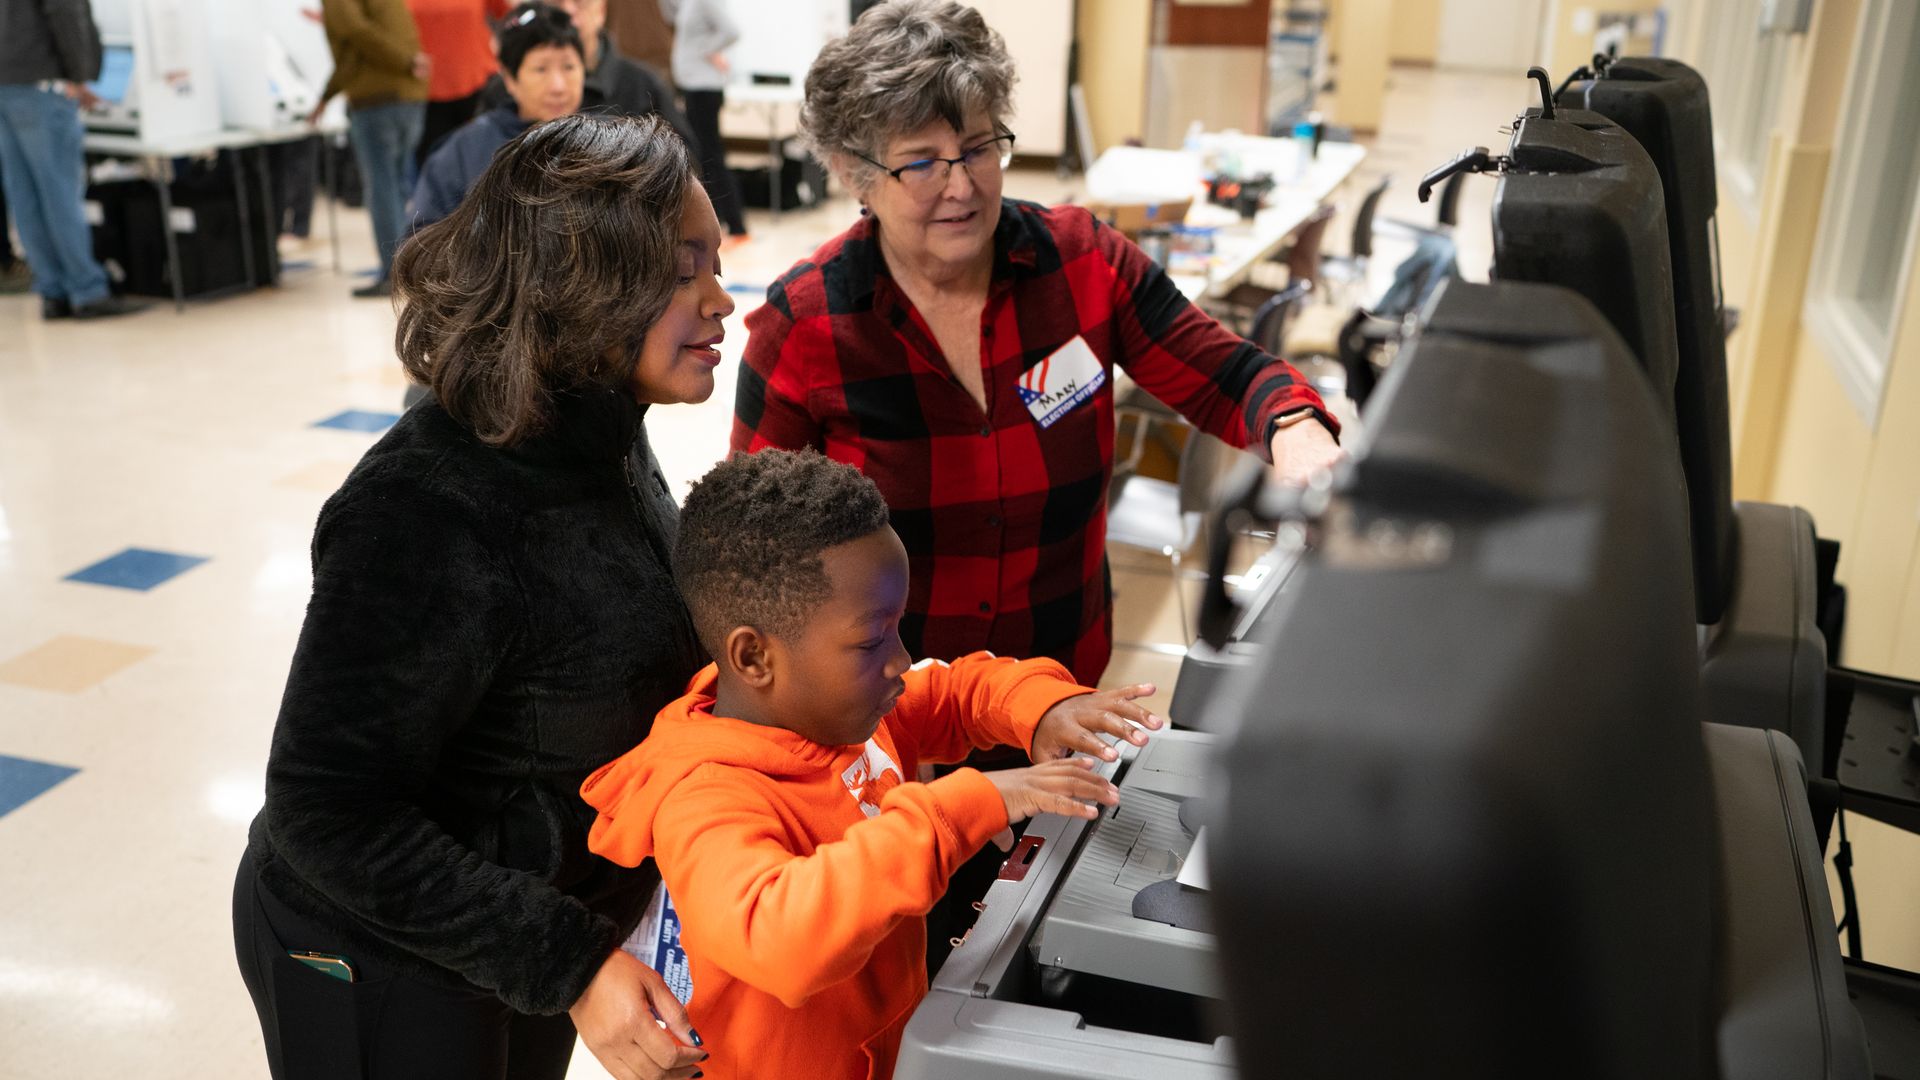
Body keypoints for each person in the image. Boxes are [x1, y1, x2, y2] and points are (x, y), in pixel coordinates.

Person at [232, 113, 728, 1080]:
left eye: (715, 263)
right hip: (378, 955)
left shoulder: (598, 429)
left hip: (522, 944)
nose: (721, 301)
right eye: (684, 271)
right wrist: (569, 958)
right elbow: (326, 811)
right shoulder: (424, 507)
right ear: (588, 285)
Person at [732, 0, 1344, 690]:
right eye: (923, 164)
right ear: (853, 173)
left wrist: (1295, 428)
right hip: (901, 719)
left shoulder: (1085, 264)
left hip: (1061, 686)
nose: (962, 186)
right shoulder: (806, 324)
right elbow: (755, 557)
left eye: (979, 148)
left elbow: (1229, 377)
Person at [581, 448, 1162, 1080]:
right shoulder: (706, 798)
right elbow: (780, 939)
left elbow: (959, 691)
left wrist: (1045, 707)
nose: (899, 660)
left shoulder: (847, 708)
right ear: (754, 658)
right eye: (870, 639)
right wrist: (948, 813)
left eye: (897, 628)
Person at [0, 0, 145, 318]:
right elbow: (65, 12)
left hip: (7, 84)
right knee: (59, 192)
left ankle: (52, 291)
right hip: (44, 84)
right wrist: (80, 78)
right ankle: (87, 289)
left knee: (25, 195)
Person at [409, 2, 584, 230]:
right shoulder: (465, 151)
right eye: (540, 69)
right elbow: (422, 239)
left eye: (569, 67)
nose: (558, 86)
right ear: (510, 79)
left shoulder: (608, 144)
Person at [312, 0, 431, 298]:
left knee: (383, 189)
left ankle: (394, 274)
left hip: (379, 99)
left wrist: (405, 61)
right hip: (409, 95)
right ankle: (412, 269)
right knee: (400, 186)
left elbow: (356, 34)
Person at [660, 0, 746, 240]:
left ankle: (738, 226)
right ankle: (720, 224)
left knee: (711, 156)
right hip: (693, 87)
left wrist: (705, 50)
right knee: (703, 157)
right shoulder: (688, 3)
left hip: (703, 88)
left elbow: (732, 31)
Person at [407, 0, 512, 170]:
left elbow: (507, 14)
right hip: (426, 92)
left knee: (490, 162)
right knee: (435, 168)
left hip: (479, 82)